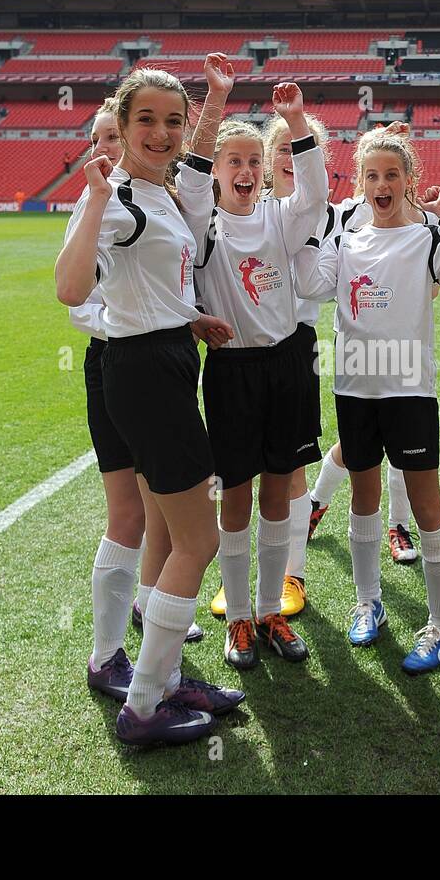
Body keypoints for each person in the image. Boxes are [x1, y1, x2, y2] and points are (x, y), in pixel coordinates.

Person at [54, 57, 243, 747]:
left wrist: (184, 316)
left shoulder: (161, 192)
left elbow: (145, 278)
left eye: (174, 120)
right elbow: (71, 290)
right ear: (122, 126)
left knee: (154, 524)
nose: (162, 133)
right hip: (144, 370)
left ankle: (139, 673)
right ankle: (145, 703)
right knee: (199, 537)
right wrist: (98, 199)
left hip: (156, 353)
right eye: (147, 121)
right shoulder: (122, 198)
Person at [293, 127, 440, 673]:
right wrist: (315, 230)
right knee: (364, 498)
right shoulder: (347, 238)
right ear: (360, 184)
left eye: (392, 174)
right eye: (371, 175)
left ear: (409, 181)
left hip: (408, 390)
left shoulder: (425, 236)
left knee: (425, 504)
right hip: (355, 387)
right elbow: (310, 286)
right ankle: (367, 603)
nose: (382, 183)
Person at [178, 81, 328, 671]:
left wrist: (295, 123)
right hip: (233, 371)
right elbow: (187, 190)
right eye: (231, 161)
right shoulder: (202, 225)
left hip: (286, 365)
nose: (244, 170)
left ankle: (270, 611)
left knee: (278, 489)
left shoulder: (279, 218)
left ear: (265, 170)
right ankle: (238, 617)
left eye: (252, 162)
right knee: (235, 494)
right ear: (216, 169)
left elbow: (314, 193)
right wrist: (194, 320)